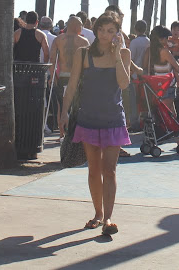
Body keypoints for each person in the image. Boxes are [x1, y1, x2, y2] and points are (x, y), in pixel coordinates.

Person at [60, 12, 131, 237]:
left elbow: (124, 84)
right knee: (94, 170)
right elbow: (72, 85)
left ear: (117, 33)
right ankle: (98, 213)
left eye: (110, 31)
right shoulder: (83, 53)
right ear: (96, 29)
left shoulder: (124, 54)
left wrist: (117, 55)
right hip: (88, 119)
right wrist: (63, 112)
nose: (104, 34)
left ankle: (108, 218)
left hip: (113, 119)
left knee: (109, 170)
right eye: (101, 29)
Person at [49, 16, 90, 138]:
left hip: (62, 77)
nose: (82, 27)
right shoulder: (84, 42)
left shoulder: (58, 39)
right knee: (76, 106)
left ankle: (62, 134)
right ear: (76, 26)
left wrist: (52, 77)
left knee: (62, 106)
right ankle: (74, 133)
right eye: (81, 25)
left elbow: (52, 59)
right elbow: (88, 63)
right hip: (78, 78)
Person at [143, 25, 179, 114]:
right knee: (168, 114)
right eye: (166, 38)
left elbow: (144, 66)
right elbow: (178, 68)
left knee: (165, 113)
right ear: (161, 39)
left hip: (155, 85)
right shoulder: (165, 52)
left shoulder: (149, 50)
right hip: (168, 85)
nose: (168, 40)